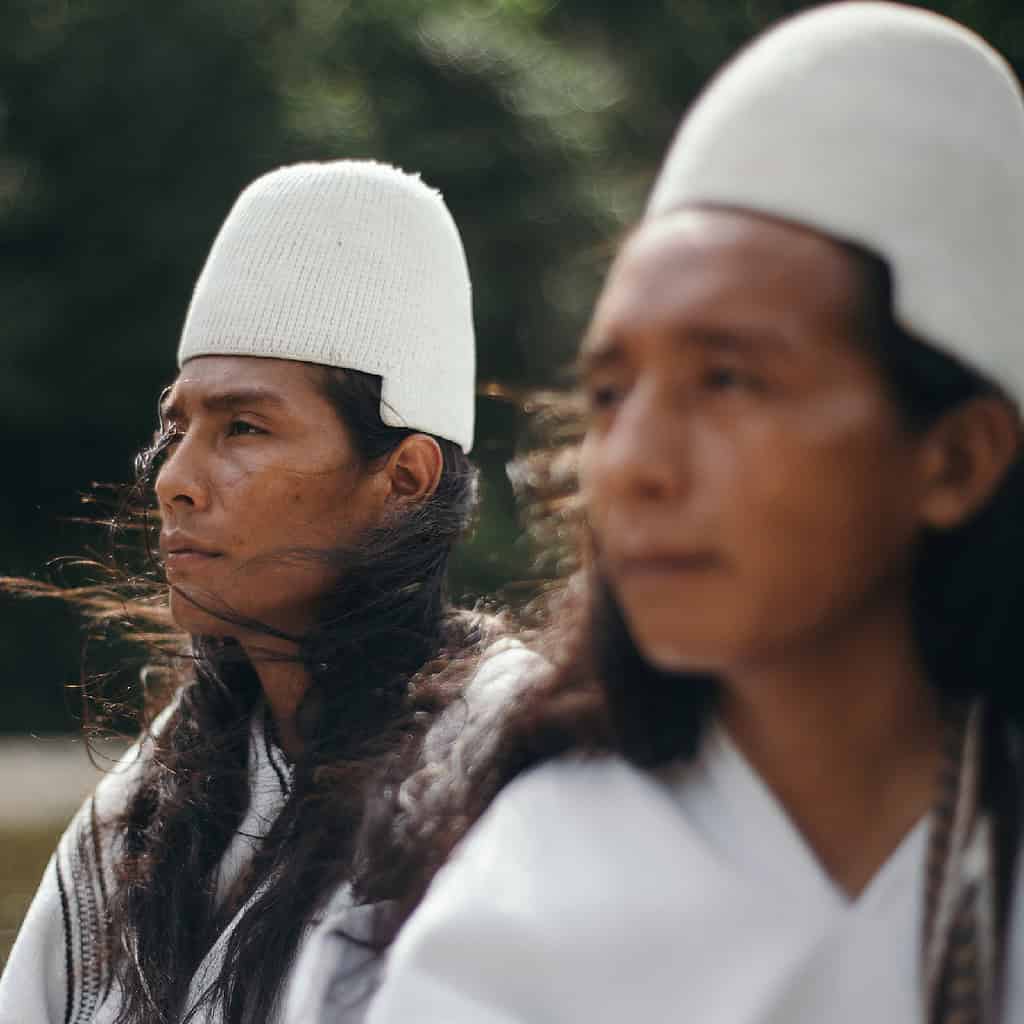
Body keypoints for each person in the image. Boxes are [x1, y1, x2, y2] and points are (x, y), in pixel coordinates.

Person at [357, 5, 1024, 1023]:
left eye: (727, 380)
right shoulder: (516, 924)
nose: (631, 467)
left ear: (955, 458)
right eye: (611, 395)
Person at [0, 159, 524, 1024]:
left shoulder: (508, 772)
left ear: (403, 477)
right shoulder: (148, 805)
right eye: (178, 429)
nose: (176, 479)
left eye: (243, 427)